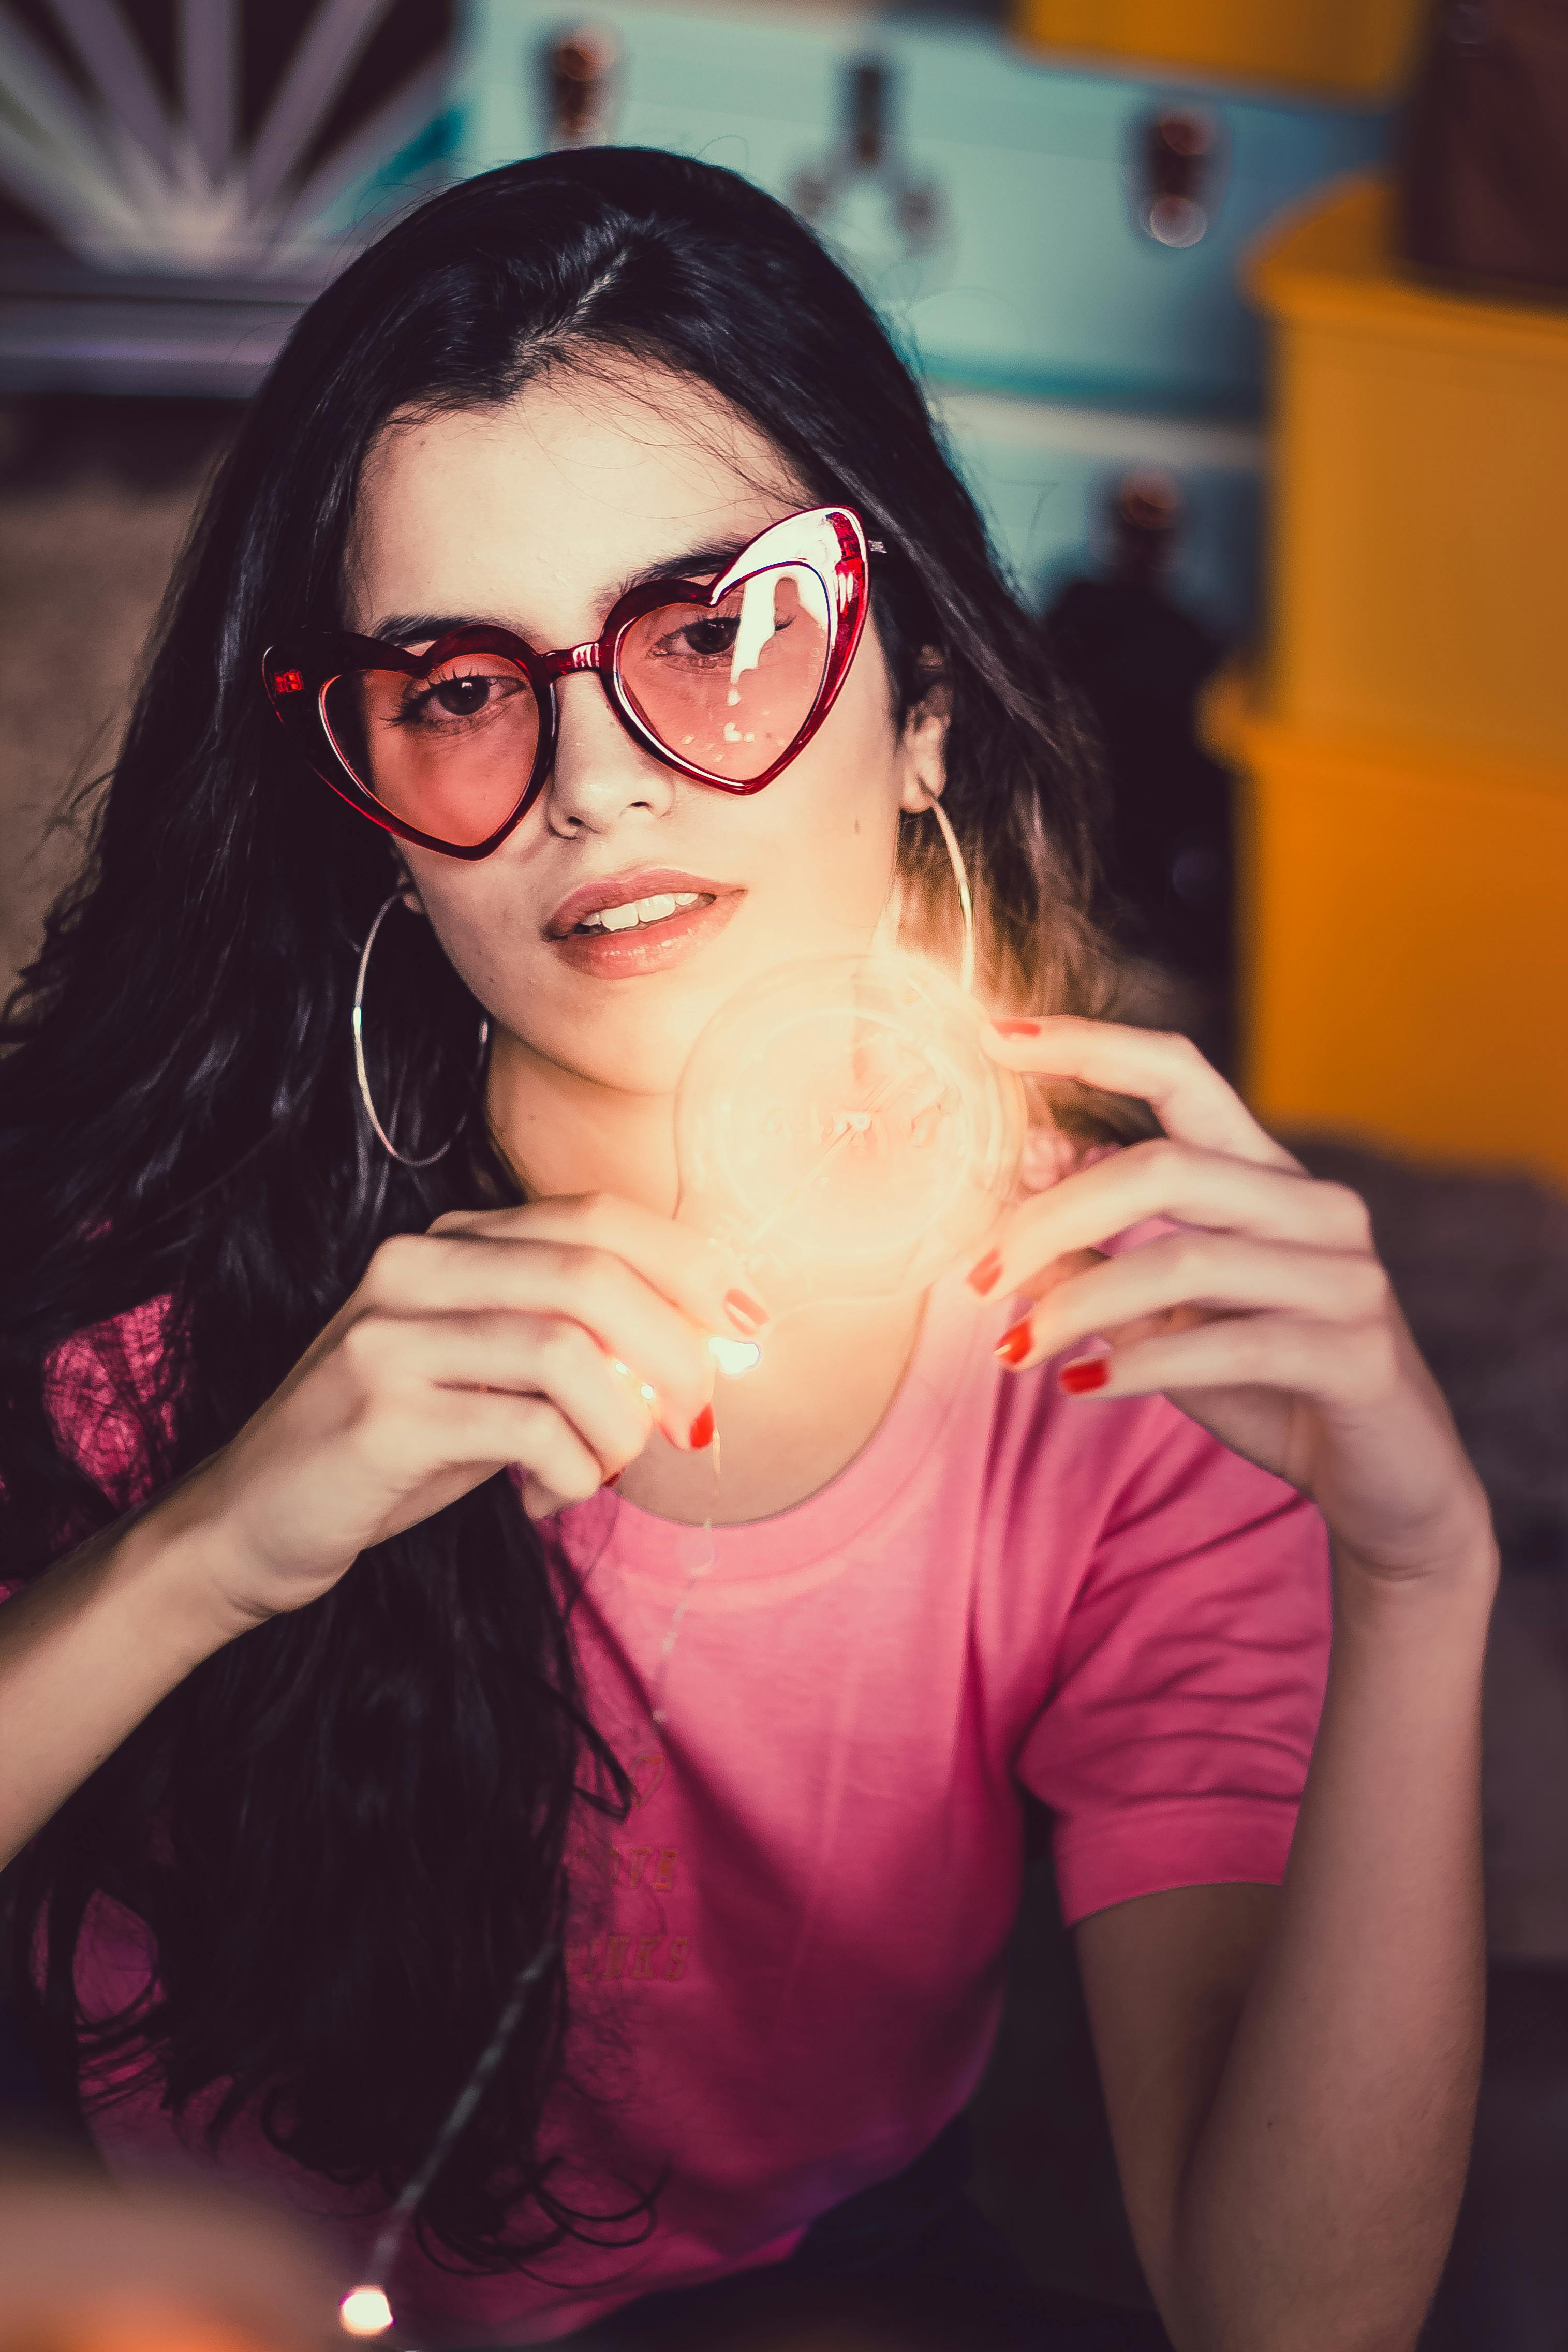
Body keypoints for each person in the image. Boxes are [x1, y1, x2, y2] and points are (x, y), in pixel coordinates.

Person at [0, 151, 1495, 2352]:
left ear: (923, 711)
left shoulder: (1132, 1358)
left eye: (716, 633)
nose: (598, 786)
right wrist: (210, 1551)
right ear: (370, 810)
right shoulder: (164, 1207)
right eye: (459, 687)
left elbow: (1289, 2319)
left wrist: (1418, 1574)